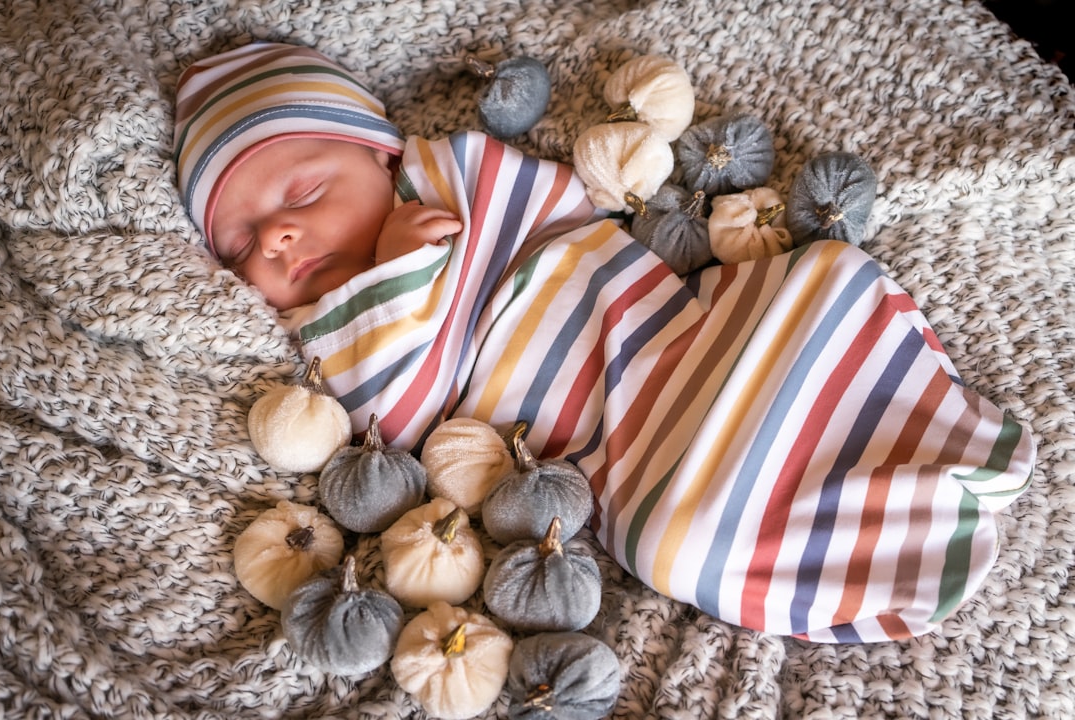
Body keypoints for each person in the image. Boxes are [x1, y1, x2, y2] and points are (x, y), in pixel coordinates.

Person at [175, 42, 1036, 642]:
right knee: (680, 537)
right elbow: (397, 414)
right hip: (626, 444)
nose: (279, 238)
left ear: (380, 154)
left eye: (302, 190)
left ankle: (936, 441)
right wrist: (396, 274)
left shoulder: (454, 173)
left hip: (689, 328)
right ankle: (885, 542)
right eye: (244, 245)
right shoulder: (330, 338)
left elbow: (569, 213)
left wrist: (438, 229)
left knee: (825, 276)